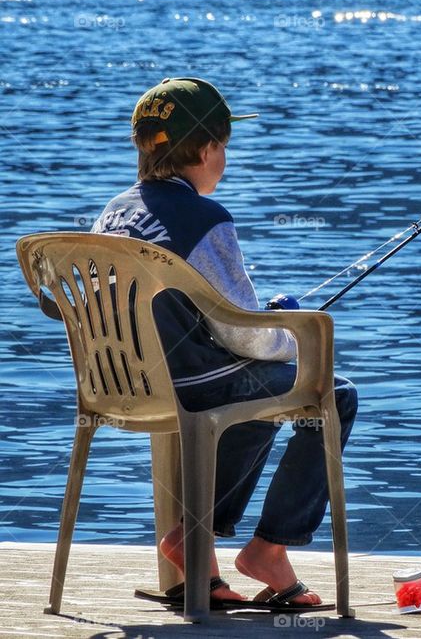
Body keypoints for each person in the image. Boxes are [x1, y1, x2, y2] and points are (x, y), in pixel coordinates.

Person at [92, 77, 358, 608]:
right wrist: (288, 330)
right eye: (225, 147)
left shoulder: (112, 214)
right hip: (190, 385)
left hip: (118, 386)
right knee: (332, 393)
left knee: (254, 390)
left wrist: (262, 328)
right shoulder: (205, 218)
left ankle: (198, 545)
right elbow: (245, 336)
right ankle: (268, 548)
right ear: (210, 148)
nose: (225, 157)